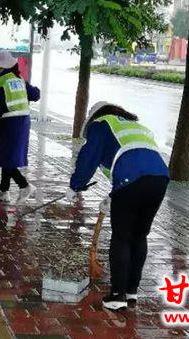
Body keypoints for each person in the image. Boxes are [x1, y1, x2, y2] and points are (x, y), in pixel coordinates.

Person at [68, 101, 169, 311]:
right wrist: (113, 195)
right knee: (139, 235)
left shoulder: (101, 124)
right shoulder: (134, 126)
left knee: (121, 237)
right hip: (160, 178)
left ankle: (117, 296)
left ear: (95, 116)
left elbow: (89, 157)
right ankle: (131, 291)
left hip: (131, 180)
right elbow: (136, 159)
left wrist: (75, 185)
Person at [0, 51, 40, 203]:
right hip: (23, 122)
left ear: (3, 67)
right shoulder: (19, 80)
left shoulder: (1, 82)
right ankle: (3, 191)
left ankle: (25, 185)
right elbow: (35, 95)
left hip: (10, 124)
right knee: (7, 156)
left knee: (6, 158)